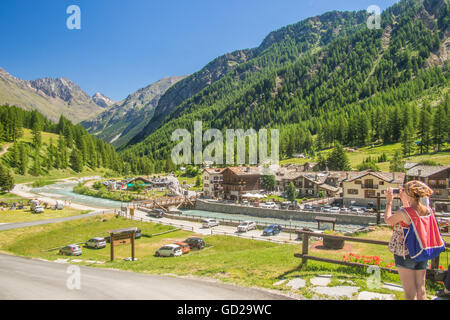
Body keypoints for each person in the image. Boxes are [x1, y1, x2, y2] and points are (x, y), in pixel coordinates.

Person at [385, 180, 436, 300]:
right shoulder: (427, 210)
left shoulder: (405, 212)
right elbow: (412, 218)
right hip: (421, 251)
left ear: (410, 194)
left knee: (410, 293)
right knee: (421, 289)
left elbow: (388, 220)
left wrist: (389, 201)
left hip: (405, 253)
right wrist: (405, 200)